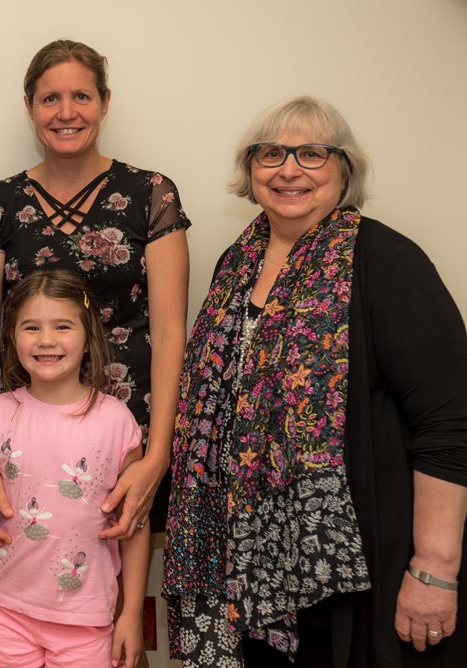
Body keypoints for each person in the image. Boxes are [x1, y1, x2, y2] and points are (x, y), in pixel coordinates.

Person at [164, 95, 467, 667]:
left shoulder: (387, 262)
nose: (288, 170)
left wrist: (436, 568)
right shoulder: (237, 263)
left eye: (312, 154)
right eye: (271, 153)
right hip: (243, 571)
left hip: (355, 570)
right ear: (250, 168)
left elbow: (449, 423)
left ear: (344, 170)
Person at [0, 39, 191, 552]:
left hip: (129, 434)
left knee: (119, 585)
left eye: (82, 97)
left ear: (105, 103)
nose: (67, 113)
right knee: (34, 565)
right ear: (30, 108)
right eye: (50, 99)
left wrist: (158, 455)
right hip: (26, 435)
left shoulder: (151, 194)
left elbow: (172, 332)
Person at [0, 269, 151, 668]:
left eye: (63, 326)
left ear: (88, 338)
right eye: (31, 327)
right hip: (6, 613)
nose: (47, 340)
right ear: (12, 337)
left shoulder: (117, 422)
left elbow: (134, 526)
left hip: (86, 623)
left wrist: (130, 614)